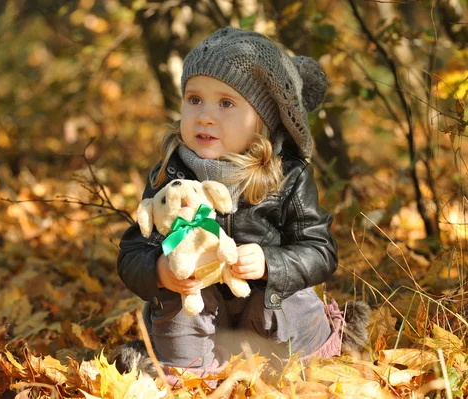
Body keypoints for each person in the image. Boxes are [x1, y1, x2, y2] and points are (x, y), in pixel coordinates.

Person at [115, 27, 367, 380]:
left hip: (265, 311)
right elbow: (133, 251)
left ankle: (302, 360)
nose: (205, 115)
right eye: (194, 99)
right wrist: (160, 273)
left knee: (291, 299)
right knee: (177, 304)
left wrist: (270, 262)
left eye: (227, 103)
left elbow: (320, 250)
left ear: (262, 120)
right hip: (202, 317)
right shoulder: (171, 173)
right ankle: (186, 370)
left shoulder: (287, 175)